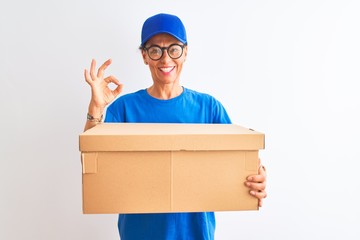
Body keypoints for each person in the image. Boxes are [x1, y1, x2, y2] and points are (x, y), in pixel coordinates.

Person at [83, 13, 267, 240]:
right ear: (144, 56)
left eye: (174, 49)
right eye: (155, 50)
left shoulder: (208, 108)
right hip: (139, 234)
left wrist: (258, 176)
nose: (165, 59)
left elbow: (236, 164)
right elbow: (92, 166)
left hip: (196, 233)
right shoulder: (124, 108)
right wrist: (97, 107)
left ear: (185, 52)